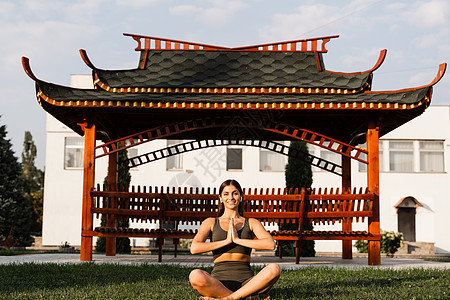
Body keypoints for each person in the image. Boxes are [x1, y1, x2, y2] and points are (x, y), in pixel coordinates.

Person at [189, 179, 281, 300]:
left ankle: (228, 298)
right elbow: (194, 248)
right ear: (220, 198)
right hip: (219, 283)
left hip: (249, 283)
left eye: (235, 193)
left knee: (275, 269)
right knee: (195, 275)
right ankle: (246, 298)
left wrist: (237, 240)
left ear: (241, 197)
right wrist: (226, 241)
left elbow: (270, 244)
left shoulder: (251, 222)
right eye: (226, 194)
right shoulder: (211, 222)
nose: (231, 197)